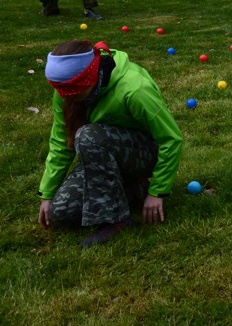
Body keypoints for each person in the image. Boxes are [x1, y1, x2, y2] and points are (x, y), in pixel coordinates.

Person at [38, 40, 184, 248]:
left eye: (74, 92)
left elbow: (171, 138)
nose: (68, 98)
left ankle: (116, 220)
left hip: (144, 153)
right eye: (63, 93)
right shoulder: (67, 92)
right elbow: (61, 141)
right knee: (61, 211)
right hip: (103, 152)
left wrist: (158, 192)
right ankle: (133, 189)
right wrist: (47, 193)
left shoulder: (134, 89)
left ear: (90, 76)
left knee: (88, 136)